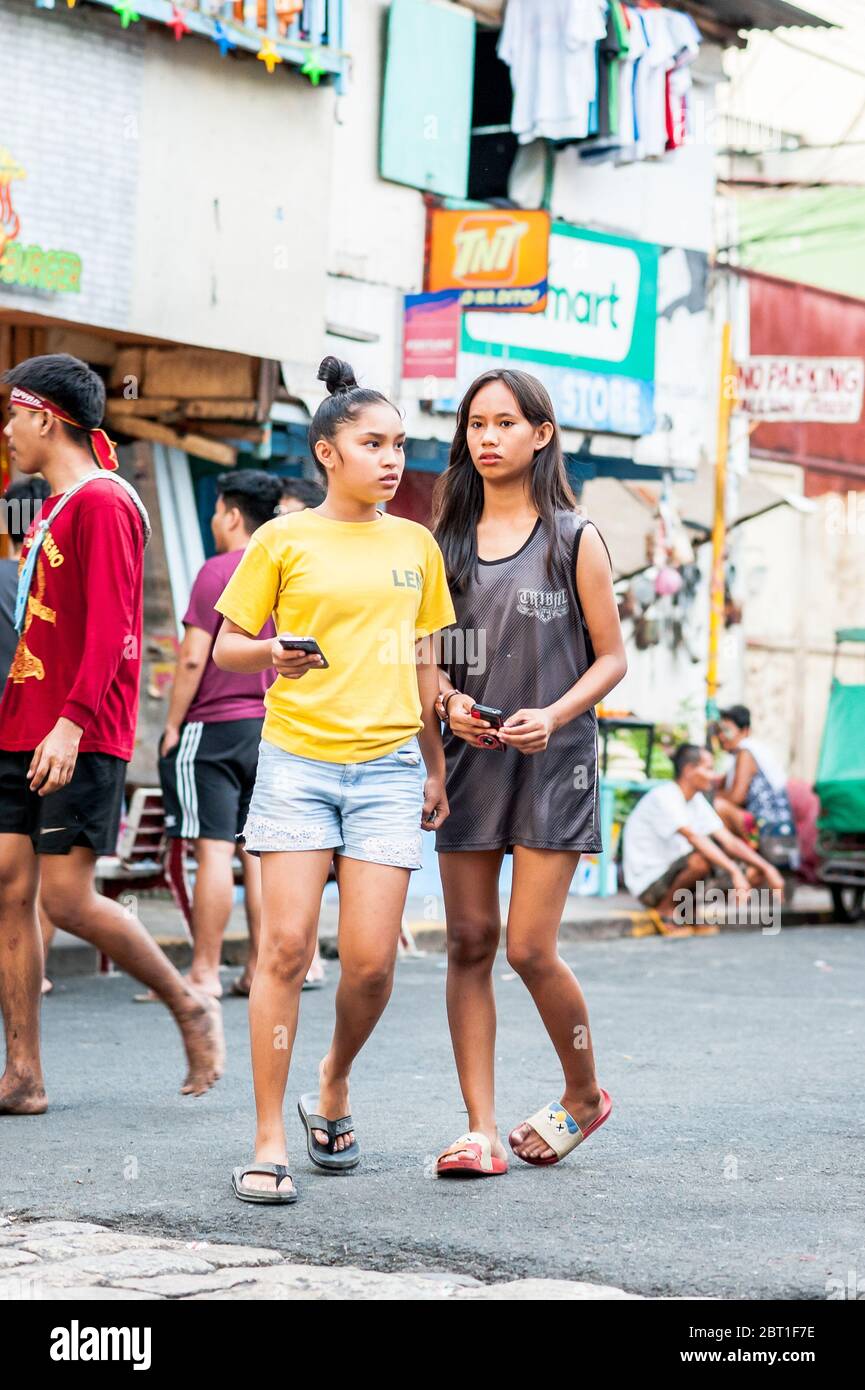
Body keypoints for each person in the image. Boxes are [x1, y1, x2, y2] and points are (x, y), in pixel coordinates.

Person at [213, 356, 455, 1203]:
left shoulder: (415, 545)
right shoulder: (281, 540)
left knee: (370, 966)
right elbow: (226, 647)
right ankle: (270, 1137)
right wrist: (270, 652)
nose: (391, 459)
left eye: (399, 444)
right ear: (326, 451)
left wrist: (434, 765)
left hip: (389, 768)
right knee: (281, 951)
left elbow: (427, 657)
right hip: (297, 762)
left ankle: (335, 1079)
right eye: (373, 443)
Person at [0, 353, 224, 1115]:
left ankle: (188, 1003)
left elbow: (112, 632)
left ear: (43, 417)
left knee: (65, 900)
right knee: (8, 888)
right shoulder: (52, 505)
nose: (5, 431)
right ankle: (23, 1075)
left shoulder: (105, 502)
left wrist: (68, 725)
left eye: (12, 415)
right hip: (20, 727)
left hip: (78, 734)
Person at [431, 368, 627, 1178]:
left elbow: (612, 658)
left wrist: (552, 715)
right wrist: (444, 705)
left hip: (554, 764)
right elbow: (426, 661)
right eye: (475, 423)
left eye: (504, 422)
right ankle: (479, 1130)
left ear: (540, 434)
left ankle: (582, 1093)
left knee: (527, 948)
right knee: (468, 941)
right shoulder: (442, 541)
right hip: (471, 762)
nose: (486, 436)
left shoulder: (574, 538)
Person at [155, 470, 282, 1002]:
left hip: (214, 728)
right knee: (255, 853)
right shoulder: (283, 565)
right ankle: (258, 968)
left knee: (212, 850)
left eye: (217, 511)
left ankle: (204, 970)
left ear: (232, 514)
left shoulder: (216, 572)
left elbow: (191, 657)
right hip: (270, 729)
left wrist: (170, 726)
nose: (213, 521)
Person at [622, 743, 785, 929]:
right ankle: (664, 909)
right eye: (708, 769)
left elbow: (728, 840)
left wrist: (768, 868)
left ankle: (687, 911)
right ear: (689, 770)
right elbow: (694, 838)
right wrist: (734, 871)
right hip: (649, 885)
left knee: (752, 871)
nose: (714, 776)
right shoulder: (665, 797)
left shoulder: (696, 800)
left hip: (672, 873)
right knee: (700, 860)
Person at [1, 477, 57, 994]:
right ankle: (31, 971)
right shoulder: (56, 581)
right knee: (44, 869)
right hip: (55, 733)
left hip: (11, 733)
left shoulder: (10, 574)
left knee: (14, 870)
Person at [714, 705, 795, 840]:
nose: (721, 736)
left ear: (744, 731)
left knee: (718, 807)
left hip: (769, 827)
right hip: (767, 824)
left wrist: (710, 798)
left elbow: (736, 797)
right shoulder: (743, 754)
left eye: (726, 731)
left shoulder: (746, 752)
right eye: (719, 731)